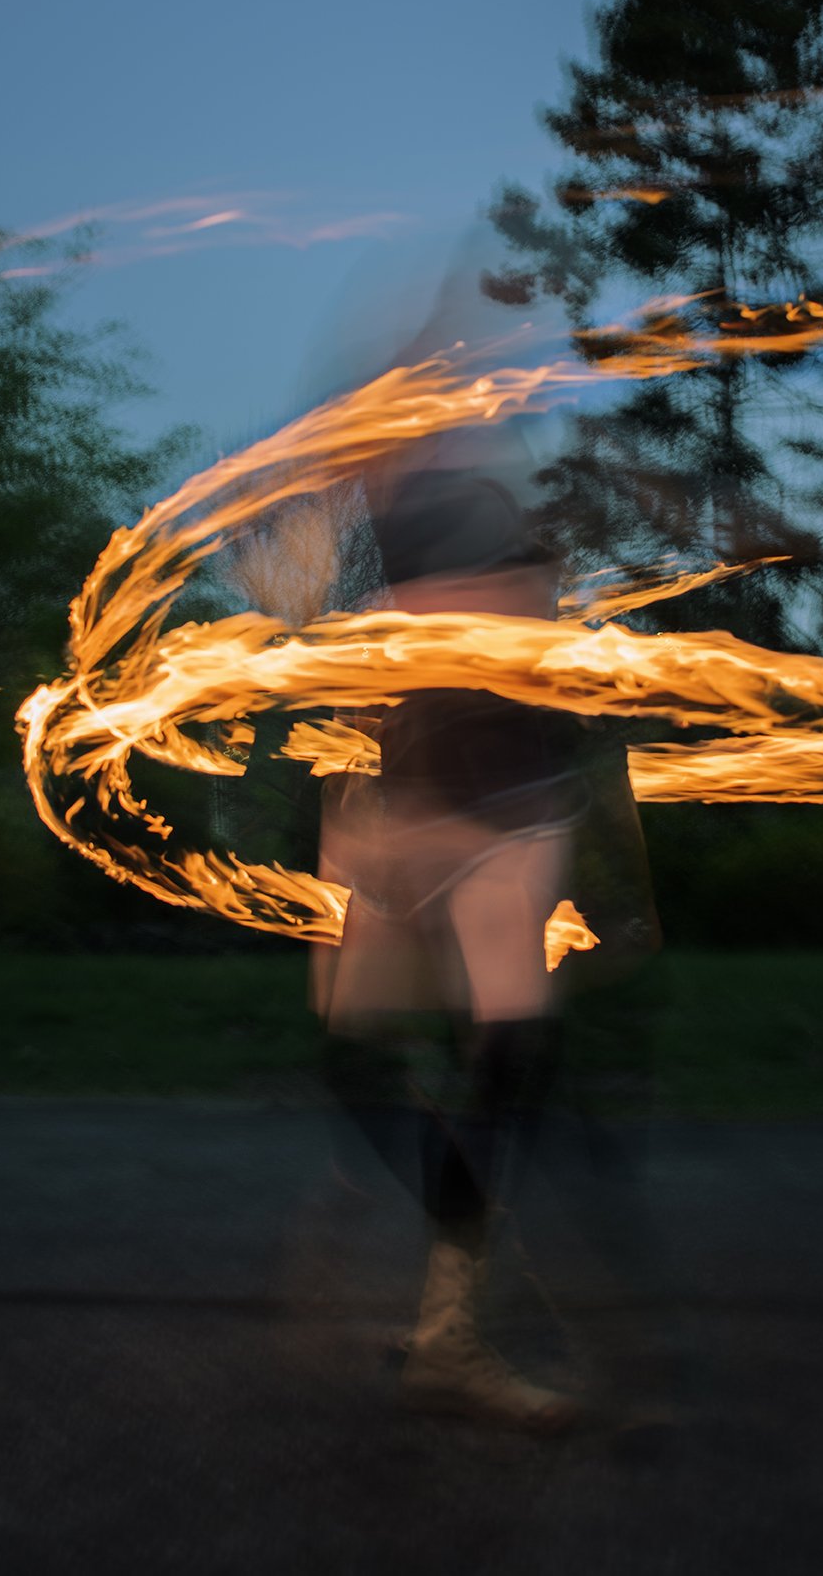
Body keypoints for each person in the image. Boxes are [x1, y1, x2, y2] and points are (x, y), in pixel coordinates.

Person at [314, 435, 588, 1432]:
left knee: (509, 1056)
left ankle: (450, 1326)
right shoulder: (391, 520)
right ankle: (459, 1270)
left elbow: (517, 637)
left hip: (502, 824)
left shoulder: (482, 513)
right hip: (405, 819)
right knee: (350, 1062)